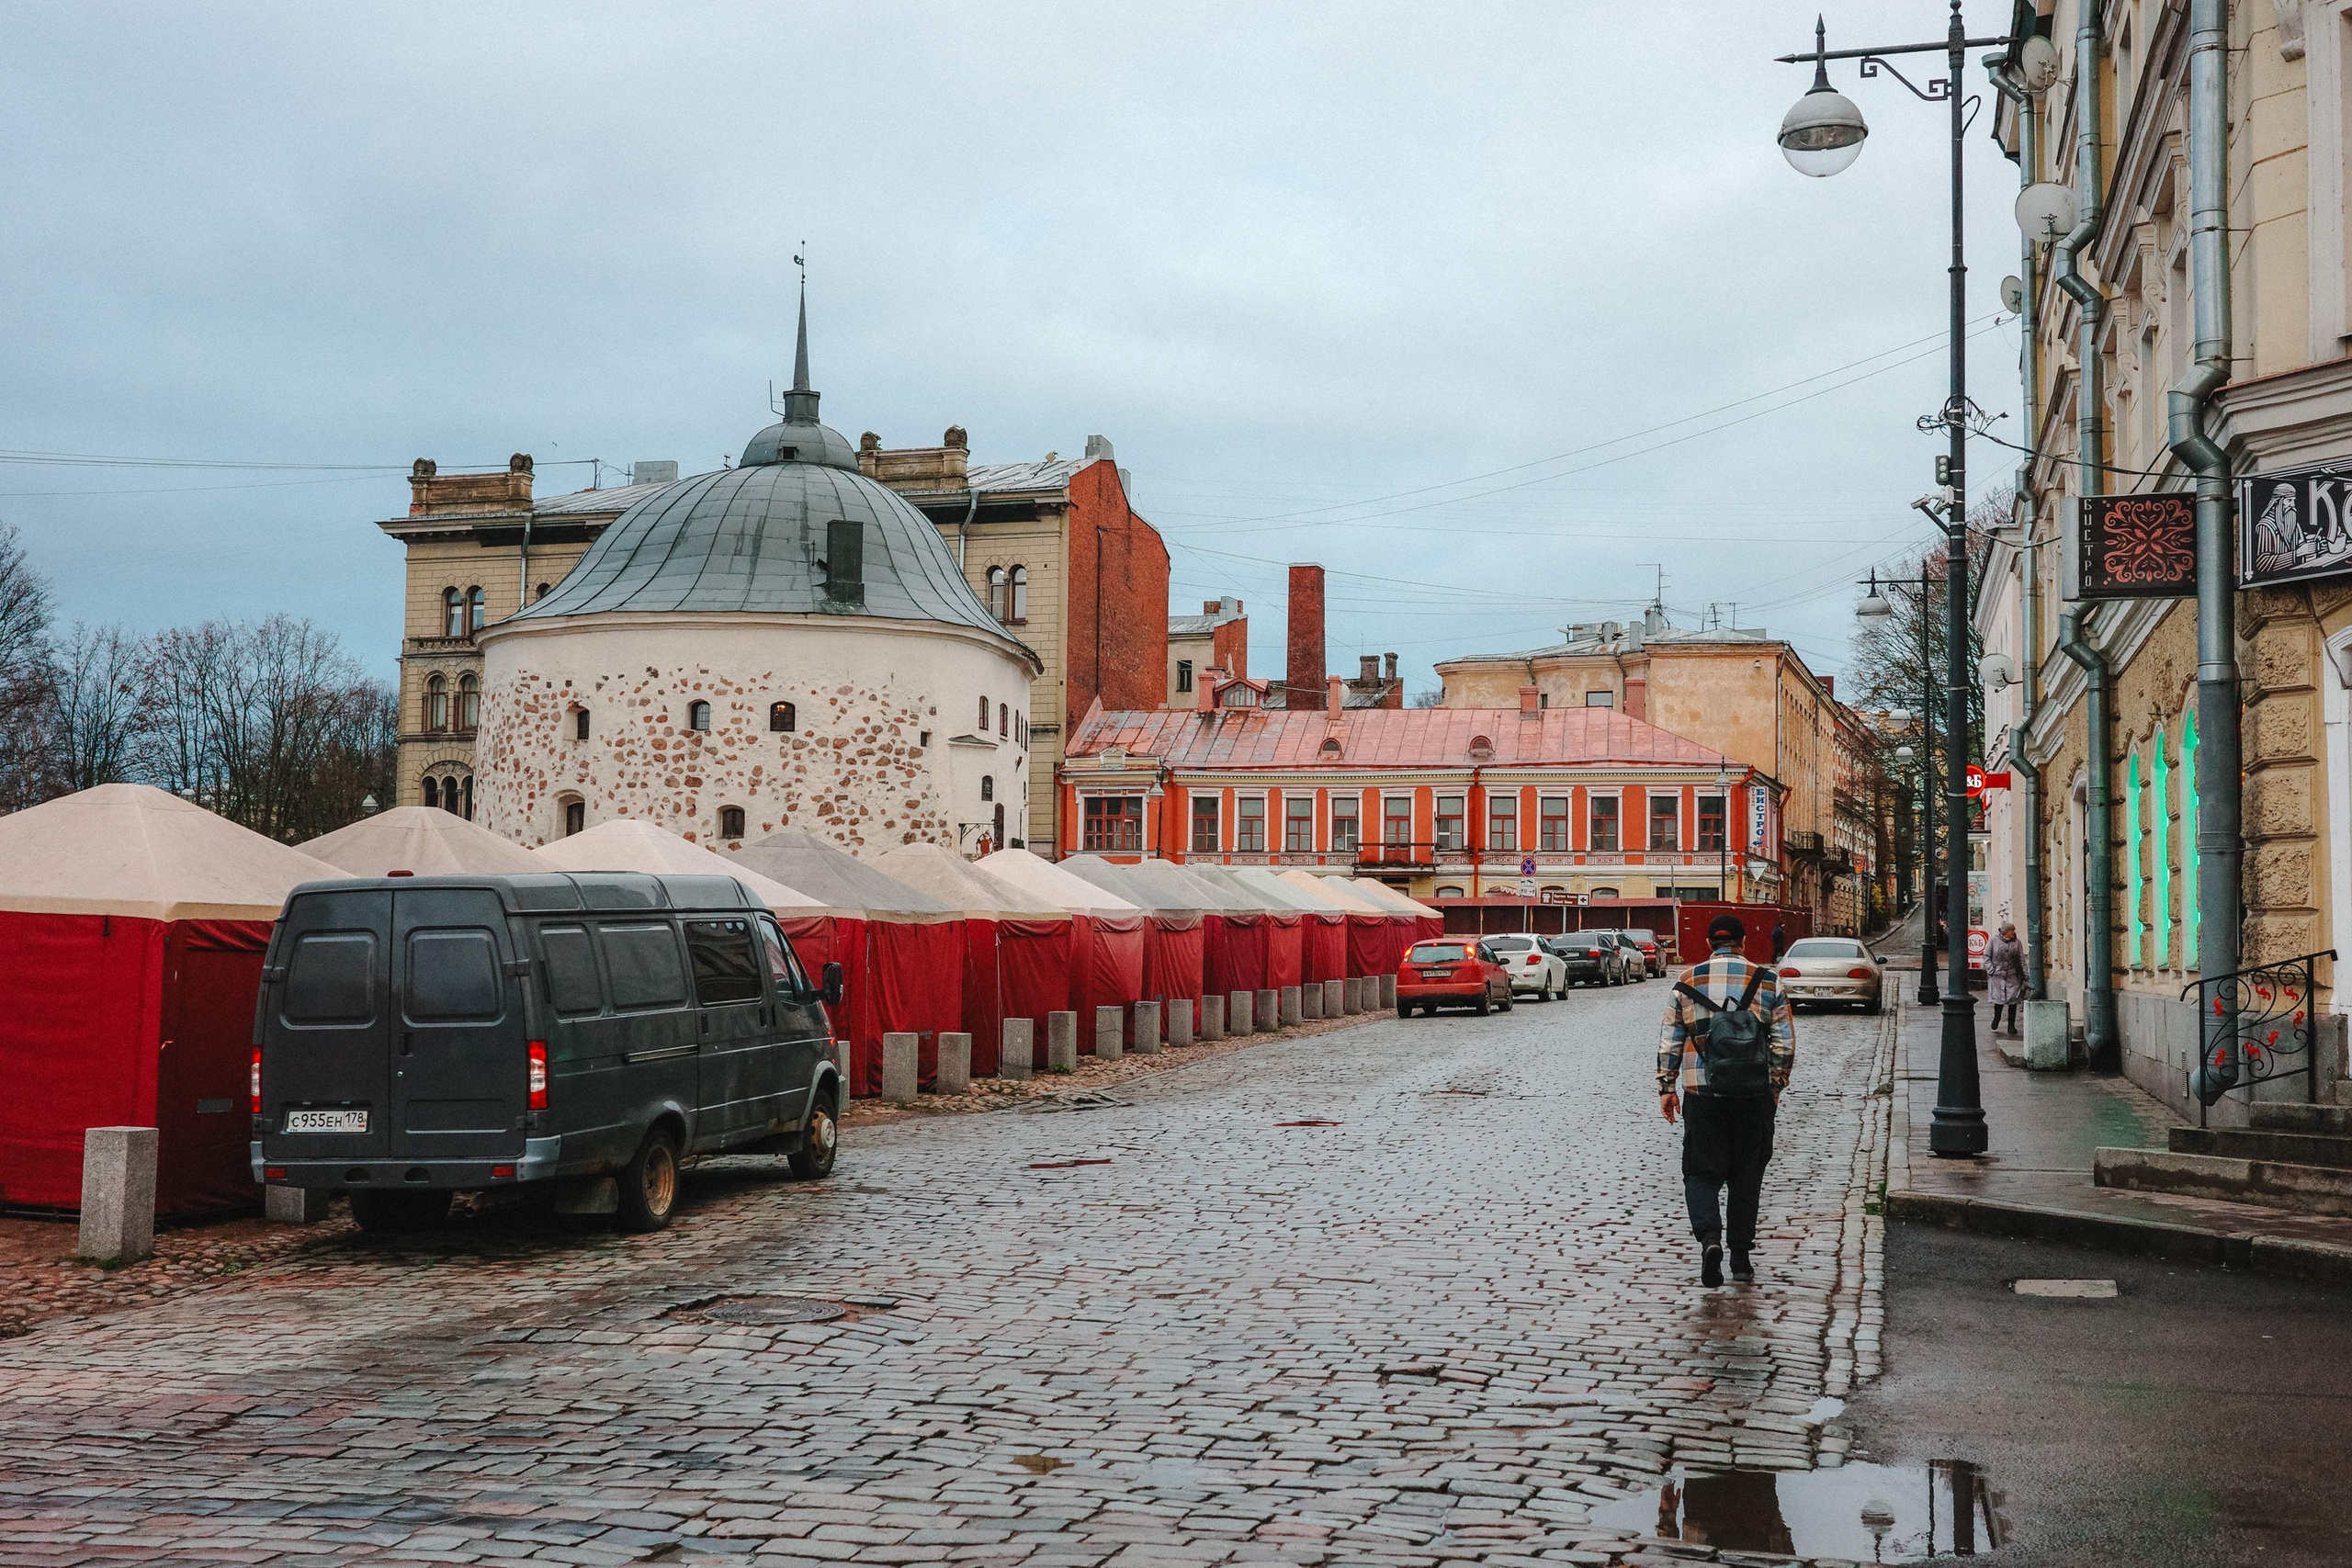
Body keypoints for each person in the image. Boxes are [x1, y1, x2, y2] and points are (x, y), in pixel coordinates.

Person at [1658, 912, 1796, 1287]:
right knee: (1746, 1176)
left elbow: (1671, 1042)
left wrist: (1667, 1088)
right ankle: (1741, 1259)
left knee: (1700, 1173)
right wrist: (1775, 1086)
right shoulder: (1768, 982)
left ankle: (1709, 1239)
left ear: (1708, 944)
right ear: (1744, 942)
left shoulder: (1686, 983)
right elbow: (1784, 1044)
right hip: (1753, 1096)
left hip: (1703, 1095)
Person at [1984, 921, 2027, 1036]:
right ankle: (1996, 1019)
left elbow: (2021, 959)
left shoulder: (2017, 943)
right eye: (2011, 930)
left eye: (2014, 930)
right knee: (1999, 1000)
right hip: (1998, 975)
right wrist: (1991, 970)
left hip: (2013, 975)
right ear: (2005, 932)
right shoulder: (1994, 941)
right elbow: (1987, 956)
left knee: (2013, 1000)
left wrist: (2025, 974)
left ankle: (2011, 1025)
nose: (2013, 932)